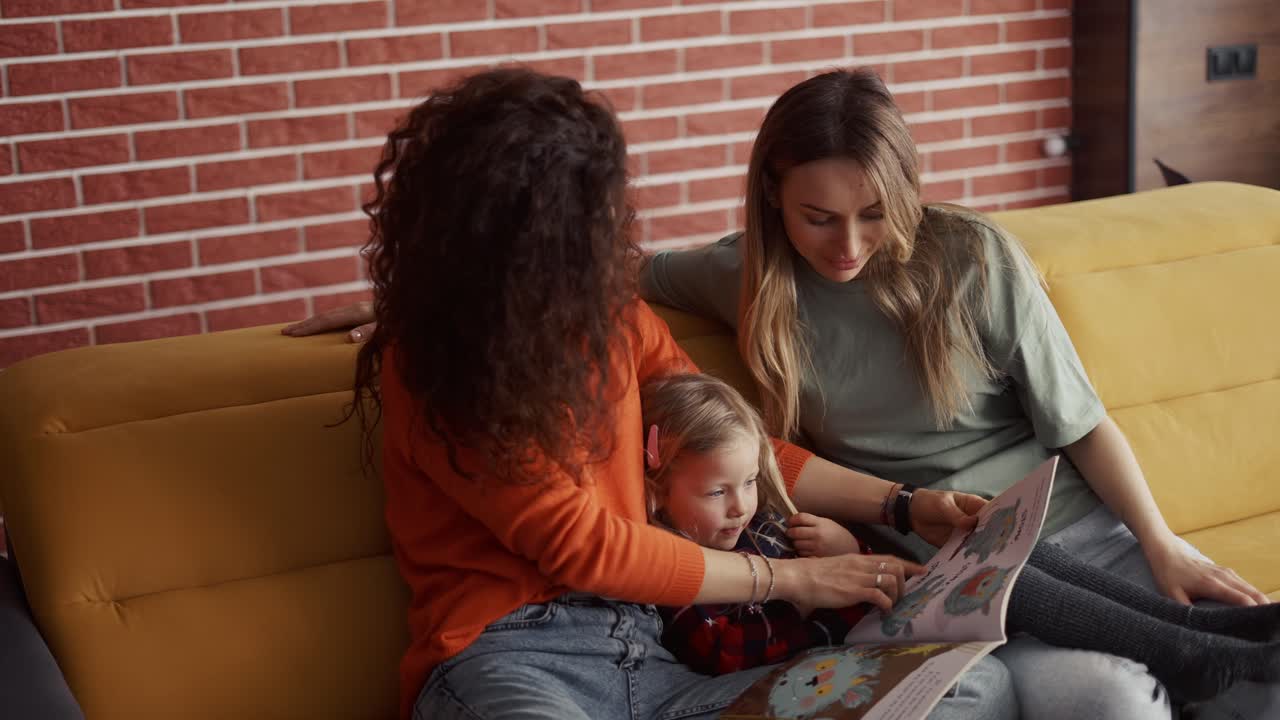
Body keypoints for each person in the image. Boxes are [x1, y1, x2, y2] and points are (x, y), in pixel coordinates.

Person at [287, 67, 1014, 720]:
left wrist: (904, 503)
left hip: (655, 659)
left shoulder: (612, 321)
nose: (602, 238)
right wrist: (794, 579)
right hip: (507, 664)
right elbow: (586, 548)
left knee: (968, 694)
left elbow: (733, 449)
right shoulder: (436, 367)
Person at [633, 67, 1278, 717]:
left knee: (1261, 677)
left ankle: (1206, 650)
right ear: (773, 193)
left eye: (875, 214)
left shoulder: (970, 257)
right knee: (1116, 707)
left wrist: (1162, 543)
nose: (848, 245)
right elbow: (626, 276)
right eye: (819, 219)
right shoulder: (743, 277)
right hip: (943, 570)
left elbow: (1081, 422)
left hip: (1080, 532)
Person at [638, 372, 1280, 702]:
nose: (740, 506)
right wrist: (809, 601)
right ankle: (1194, 655)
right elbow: (717, 653)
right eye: (717, 491)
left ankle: (1204, 635)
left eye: (749, 483)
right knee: (998, 586)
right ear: (659, 482)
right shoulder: (671, 567)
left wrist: (847, 550)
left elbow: (858, 575)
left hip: (879, 613)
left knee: (1023, 561)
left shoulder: (762, 523)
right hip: (847, 655)